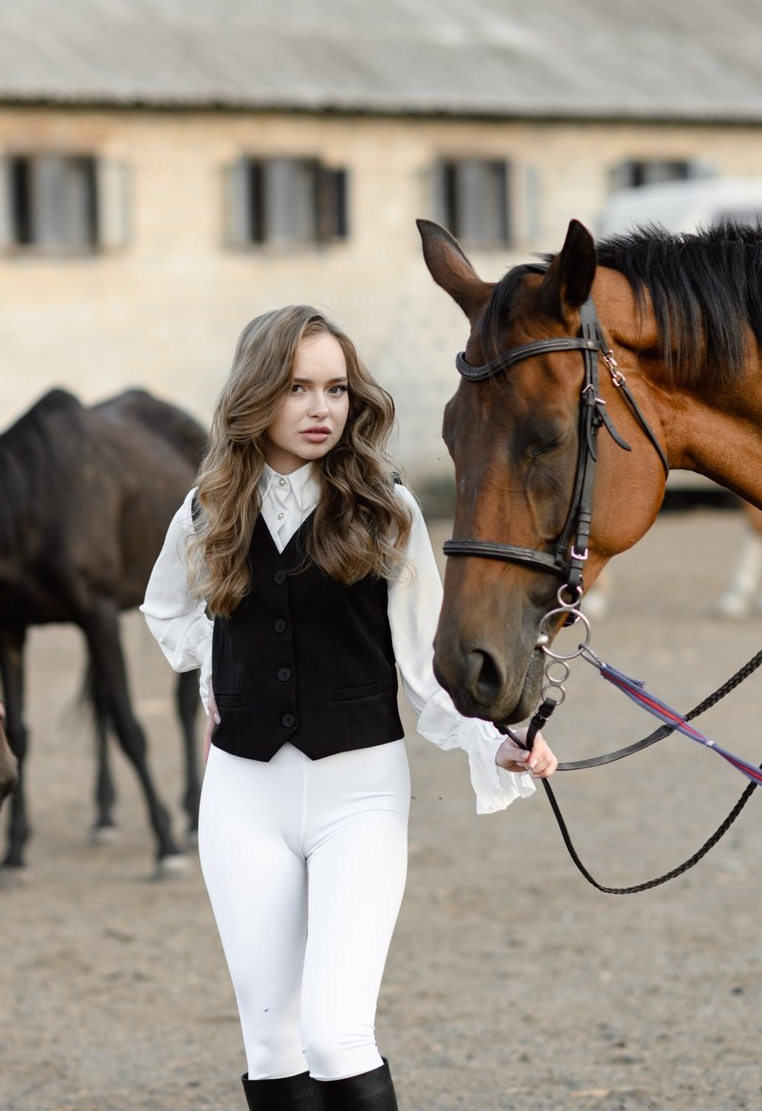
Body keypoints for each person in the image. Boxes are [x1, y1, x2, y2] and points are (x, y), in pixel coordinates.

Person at [141, 306, 556, 1111]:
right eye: (297, 388)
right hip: (241, 796)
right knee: (270, 1043)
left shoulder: (387, 510)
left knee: (336, 1035)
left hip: (359, 793)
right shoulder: (205, 509)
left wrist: (494, 742)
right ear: (257, 394)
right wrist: (216, 684)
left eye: (335, 388)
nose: (321, 408)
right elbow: (168, 613)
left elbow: (425, 667)